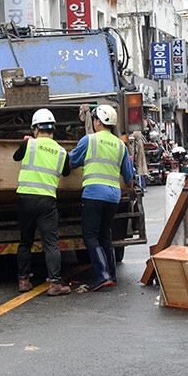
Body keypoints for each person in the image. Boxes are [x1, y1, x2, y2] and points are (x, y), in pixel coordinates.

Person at [68, 104, 134, 290]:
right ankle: (111, 275)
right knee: (104, 234)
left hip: (94, 194)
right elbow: (128, 176)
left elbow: (72, 162)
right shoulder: (120, 145)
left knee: (90, 236)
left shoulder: (89, 140)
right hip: (113, 196)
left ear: (97, 121)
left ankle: (103, 275)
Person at [13, 109, 71, 296]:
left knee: (25, 241)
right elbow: (67, 172)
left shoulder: (28, 144)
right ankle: (54, 284)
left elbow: (15, 157)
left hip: (26, 199)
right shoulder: (61, 152)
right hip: (47, 200)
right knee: (51, 243)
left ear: (36, 129)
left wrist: (26, 141)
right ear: (53, 129)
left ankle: (23, 281)